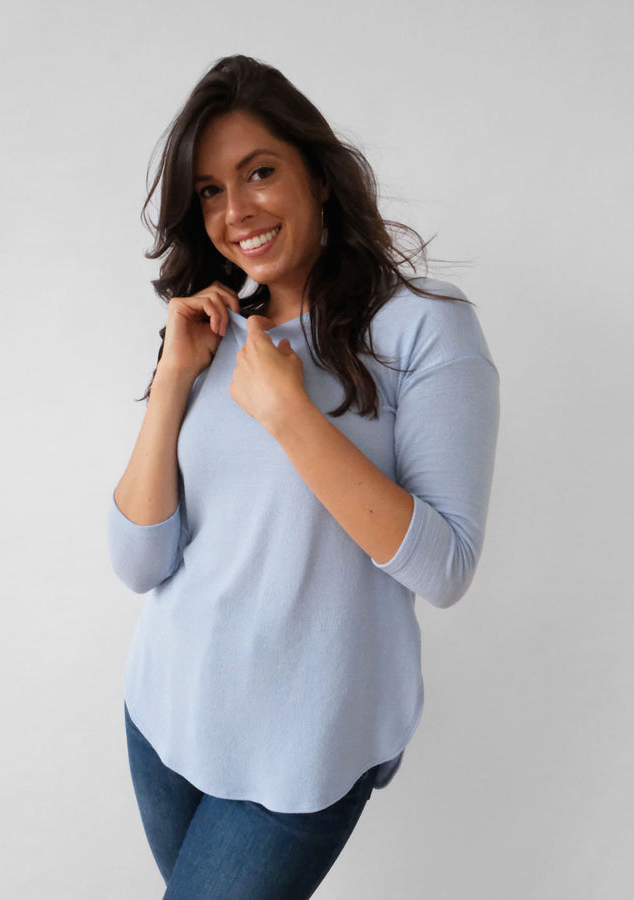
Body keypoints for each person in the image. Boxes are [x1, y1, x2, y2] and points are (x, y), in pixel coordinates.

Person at [108, 54, 499, 898]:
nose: (236, 210)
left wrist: (292, 416)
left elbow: (446, 567)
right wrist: (173, 378)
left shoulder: (424, 327)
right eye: (210, 190)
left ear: (318, 176)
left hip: (304, 751)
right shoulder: (210, 332)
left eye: (260, 172)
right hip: (166, 709)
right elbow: (140, 563)